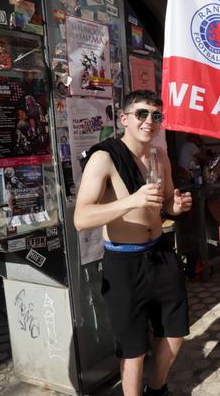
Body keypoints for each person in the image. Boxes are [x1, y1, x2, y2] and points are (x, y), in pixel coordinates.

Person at [74, 90, 192, 396]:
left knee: (175, 331)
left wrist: (174, 206)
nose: (149, 121)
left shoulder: (160, 155)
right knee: (133, 348)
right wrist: (130, 201)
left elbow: (165, 201)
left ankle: (157, 388)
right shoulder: (104, 158)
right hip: (124, 262)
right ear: (124, 118)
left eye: (155, 115)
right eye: (141, 114)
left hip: (160, 252)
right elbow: (81, 218)